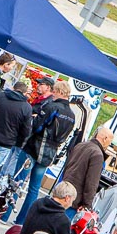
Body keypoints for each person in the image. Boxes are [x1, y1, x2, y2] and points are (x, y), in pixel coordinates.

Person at [16, 77, 75, 220]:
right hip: (50, 152)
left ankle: (4, 215)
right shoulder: (72, 115)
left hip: (33, 148)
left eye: (54, 91)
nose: (53, 94)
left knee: (17, 182)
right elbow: (65, 136)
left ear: (60, 92)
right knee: (34, 188)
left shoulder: (52, 107)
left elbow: (37, 126)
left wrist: (34, 119)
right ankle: (22, 220)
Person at [59, 126, 111, 213]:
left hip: (63, 190)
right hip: (73, 198)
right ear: (105, 138)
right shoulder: (98, 155)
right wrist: (87, 205)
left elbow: (67, 166)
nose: (109, 144)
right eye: (110, 141)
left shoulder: (80, 145)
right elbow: (92, 183)